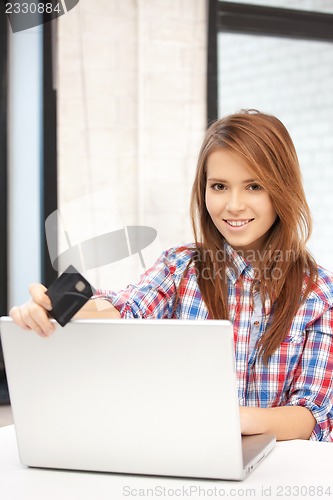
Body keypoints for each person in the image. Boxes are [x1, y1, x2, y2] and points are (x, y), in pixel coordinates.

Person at [10, 110, 333, 442]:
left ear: (282, 188)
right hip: (185, 456)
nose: (233, 205)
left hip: (275, 472)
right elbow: (128, 308)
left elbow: (314, 415)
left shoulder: (319, 293)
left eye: (253, 186)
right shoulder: (181, 269)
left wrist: (235, 419)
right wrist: (58, 308)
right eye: (219, 186)